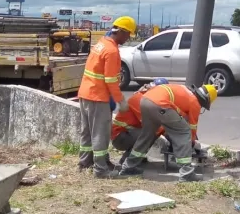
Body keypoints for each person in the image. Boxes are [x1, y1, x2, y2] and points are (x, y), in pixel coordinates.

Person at [76, 15, 136, 178]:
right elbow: (111, 80)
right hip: (97, 96)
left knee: (87, 132)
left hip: (86, 94)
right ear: (121, 32)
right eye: (128, 34)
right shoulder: (111, 50)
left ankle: (85, 162)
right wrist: (120, 100)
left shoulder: (101, 44)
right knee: (100, 134)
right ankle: (101, 169)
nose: (128, 38)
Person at [119, 83, 217, 181]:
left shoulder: (184, 90)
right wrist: (192, 144)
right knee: (184, 131)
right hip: (160, 103)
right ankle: (187, 173)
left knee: (147, 135)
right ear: (205, 100)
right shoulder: (195, 102)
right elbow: (191, 128)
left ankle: (128, 166)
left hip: (145, 100)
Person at [111, 78, 170, 167]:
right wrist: (168, 130)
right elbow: (149, 123)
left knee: (153, 133)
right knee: (150, 134)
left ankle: (137, 157)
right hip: (120, 137)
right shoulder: (139, 99)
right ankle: (128, 161)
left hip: (127, 133)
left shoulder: (148, 98)